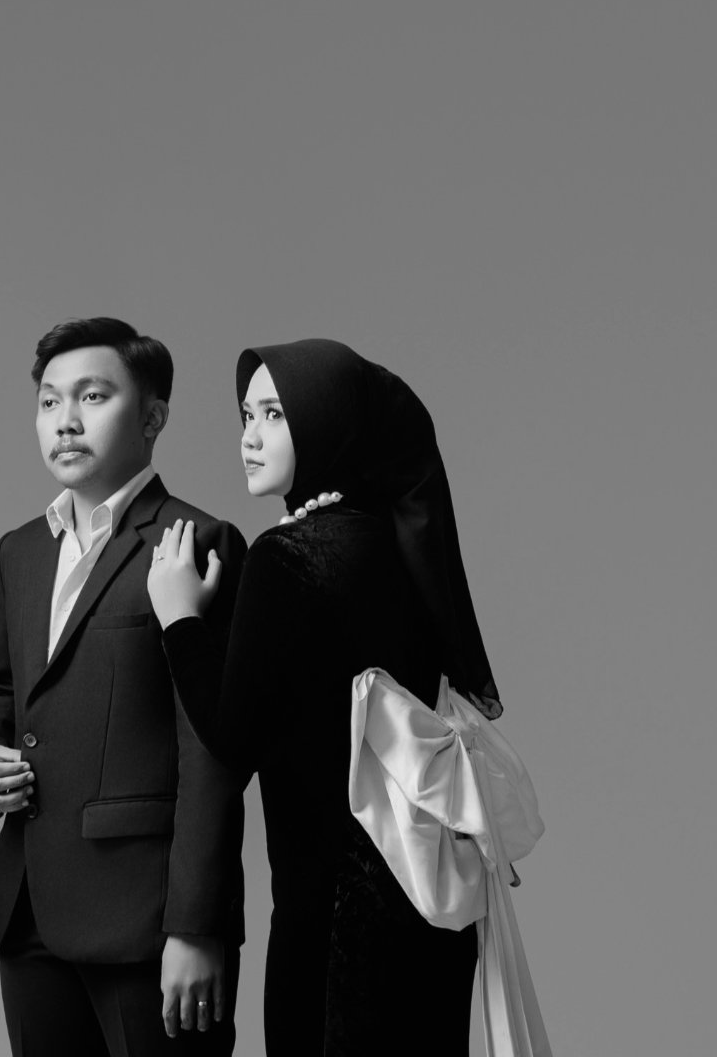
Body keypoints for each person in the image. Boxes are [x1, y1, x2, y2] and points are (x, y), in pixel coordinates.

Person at [146, 338, 498, 1056]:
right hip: (427, 912)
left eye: (275, 415)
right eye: (246, 415)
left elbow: (232, 739)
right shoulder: (396, 546)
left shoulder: (289, 557)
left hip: (333, 928)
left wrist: (179, 617)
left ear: (328, 421)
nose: (250, 437)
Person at [0, 318, 248, 1056]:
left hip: (148, 918)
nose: (65, 420)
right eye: (49, 401)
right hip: (28, 909)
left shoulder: (195, 542)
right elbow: (2, 689)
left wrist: (197, 926)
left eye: (92, 397)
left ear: (152, 418)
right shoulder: (19, 551)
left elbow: (214, 754)